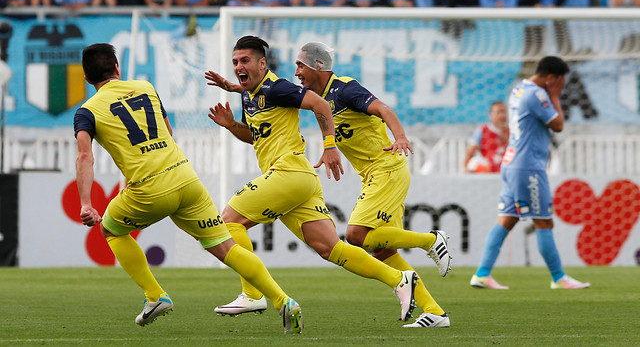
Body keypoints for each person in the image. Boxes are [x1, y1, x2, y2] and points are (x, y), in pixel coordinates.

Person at [74, 43, 304, 334]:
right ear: (117, 68)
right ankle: (283, 300)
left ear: (86, 78)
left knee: (111, 229)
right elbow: (167, 132)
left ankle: (155, 296)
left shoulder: (86, 111)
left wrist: (85, 203)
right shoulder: (145, 87)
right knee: (224, 247)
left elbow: (85, 156)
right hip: (186, 179)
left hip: (148, 189)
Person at [204, 35, 419, 324]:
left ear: (262, 63)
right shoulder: (248, 94)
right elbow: (255, 137)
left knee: (229, 222)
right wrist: (231, 125)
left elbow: (322, 105)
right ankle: (399, 280)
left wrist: (330, 145)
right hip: (298, 182)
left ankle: (253, 294)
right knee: (330, 249)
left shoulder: (277, 87)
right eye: (235, 62)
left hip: (288, 173)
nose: (238, 66)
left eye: (245, 60)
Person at [292, 42, 451, 328]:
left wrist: (400, 136)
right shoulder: (318, 100)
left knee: (354, 235)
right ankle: (435, 312)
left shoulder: (345, 88)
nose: (296, 72)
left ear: (317, 66)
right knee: (383, 251)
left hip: (387, 168)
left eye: (300, 65)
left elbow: (383, 108)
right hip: (375, 174)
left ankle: (431, 241)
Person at [470, 56, 590, 290]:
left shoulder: (519, 89)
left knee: (507, 219)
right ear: (551, 78)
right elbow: (558, 125)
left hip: (512, 163)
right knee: (544, 221)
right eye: (560, 83)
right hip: (528, 167)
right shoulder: (538, 94)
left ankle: (482, 274)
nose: (561, 88)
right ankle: (559, 278)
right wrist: (555, 96)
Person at [463, 100, 508, 173]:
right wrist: (466, 169)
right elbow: (470, 153)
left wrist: (505, 137)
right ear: (491, 115)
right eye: (499, 112)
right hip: (489, 173)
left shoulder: (512, 132)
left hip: (507, 173)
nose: (502, 116)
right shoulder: (483, 131)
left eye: (504, 112)